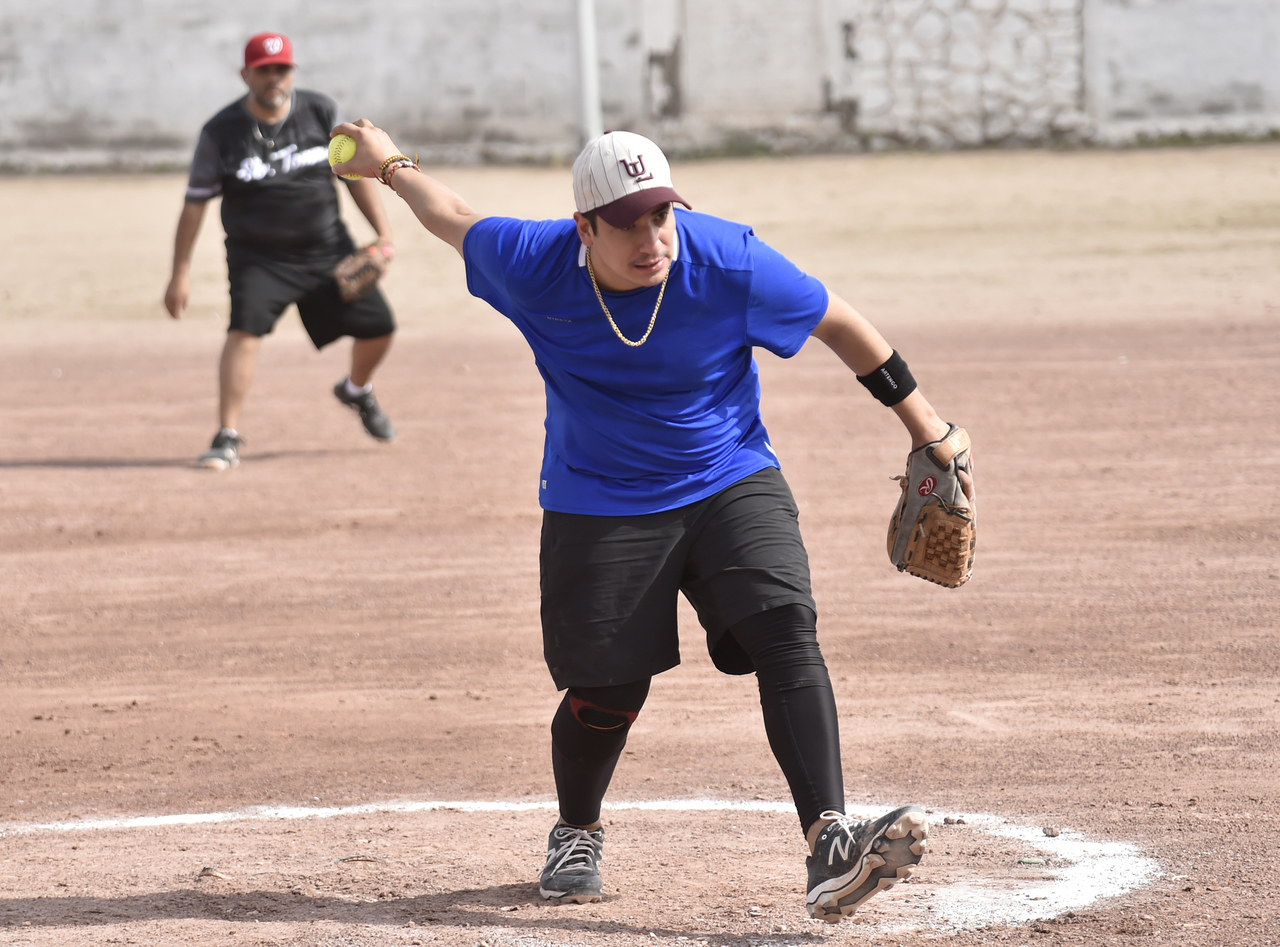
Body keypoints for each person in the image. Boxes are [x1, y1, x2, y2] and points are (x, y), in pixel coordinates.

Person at [332, 122, 974, 922]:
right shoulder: (533, 263)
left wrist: (928, 428)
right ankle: (576, 829)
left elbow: (839, 323)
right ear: (584, 228)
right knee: (607, 691)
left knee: (784, 628)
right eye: (627, 222)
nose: (651, 238)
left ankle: (831, 842)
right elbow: (454, 216)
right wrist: (390, 165)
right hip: (598, 496)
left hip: (728, 474)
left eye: (661, 215)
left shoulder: (726, 260)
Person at [164, 32, 399, 470]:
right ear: (245, 75)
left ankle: (355, 390)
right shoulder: (220, 132)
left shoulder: (320, 111)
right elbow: (194, 204)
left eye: (281, 69)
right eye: (263, 70)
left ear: (292, 72)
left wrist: (382, 235)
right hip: (258, 258)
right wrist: (180, 273)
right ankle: (226, 435)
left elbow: (352, 175)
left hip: (326, 248)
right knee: (244, 332)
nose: (273, 77)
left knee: (381, 327)